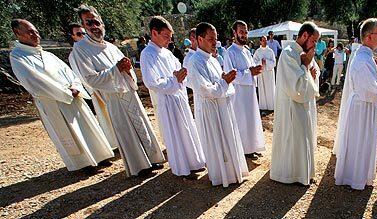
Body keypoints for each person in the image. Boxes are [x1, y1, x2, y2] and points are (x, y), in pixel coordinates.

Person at [70, 5, 165, 177]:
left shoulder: (110, 46)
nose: (94, 26)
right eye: (88, 22)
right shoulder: (81, 49)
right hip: (113, 96)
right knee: (126, 130)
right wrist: (115, 70)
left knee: (142, 125)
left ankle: (152, 159)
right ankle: (139, 166)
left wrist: (127, 70)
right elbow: (90, 79)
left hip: (129, 92)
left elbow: (124, 67)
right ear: (83, 26)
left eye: (96, 21)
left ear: (102, 23)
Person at [10, 19, 114, 172]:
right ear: (18, 33)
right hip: (53, 101)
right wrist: (65, 92)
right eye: (30, 32)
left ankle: (100, 155)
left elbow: (69, 72)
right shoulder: (18, 57)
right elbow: (35, 81)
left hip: (73, 96)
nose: (35, 35)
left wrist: (75, 86)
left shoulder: (47, 55)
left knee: (86, 126)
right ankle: (84, 163)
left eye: (36, 31)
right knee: (70, 131)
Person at [140, 16, 206, 177]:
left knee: (187, 129)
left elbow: (179, 70)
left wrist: (182, 76)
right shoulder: (147, 54)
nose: (169, 40)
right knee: (176, 133)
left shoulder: (168, 53)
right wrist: (174, 80)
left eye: (170, 37)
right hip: (167, 100)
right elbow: (152, 82)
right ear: (154, 33)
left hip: (180, 97)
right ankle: (182, 168)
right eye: (166, 36)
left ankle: (194, 161)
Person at [334, 18, 377, 190]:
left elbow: (367, 82)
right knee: (359, 141)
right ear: (368, 37)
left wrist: (375, 71)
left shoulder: (365, 57)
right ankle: (355, 178)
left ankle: (356, 175)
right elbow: (372, 92)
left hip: (363, 105)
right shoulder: (362, 59)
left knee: (360, 141)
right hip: (362, 106)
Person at [186, 22, 248, 187]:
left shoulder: (212, 59)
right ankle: (222, 177)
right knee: (217, 141)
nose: (215, 42)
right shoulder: (195, 61)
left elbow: (221, 82)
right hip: (210, 109)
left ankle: (233, 173)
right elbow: (205, 90)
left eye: (216, 38)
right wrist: (224, 81)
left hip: (223, 106)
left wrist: (225, 80)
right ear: (200, 39)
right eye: (210, 39)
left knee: (229, 138)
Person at [270, 22, 320, 185]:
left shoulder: (307, 52)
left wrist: (312, 73)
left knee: (302, 137)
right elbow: (296, 87)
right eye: (314, 40)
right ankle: (290, 175)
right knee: (293, 137)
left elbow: (313, 75)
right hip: (291, 105)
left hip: (305, 104)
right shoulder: (288, 54)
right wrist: (305, 66)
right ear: (304, 35)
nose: (315, 45)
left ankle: (302, 172)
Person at [224, 20, 265, 156]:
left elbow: (251, 69)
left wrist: (256, 70)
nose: (244, 34)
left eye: (246, 32)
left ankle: (252, 146)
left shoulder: (247, 51)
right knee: (242, 121)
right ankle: (244, 150)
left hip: (250, 92)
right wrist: (250, 73)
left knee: (251, 119)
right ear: (234, 33)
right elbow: (231, 75)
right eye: (241, 32)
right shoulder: (230, 52)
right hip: (238, 94)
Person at [253, 35, 276, 112]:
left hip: (269, 72)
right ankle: (263, 106)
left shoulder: (270, 51)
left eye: (266, 40)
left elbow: (274, 62)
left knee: (270, 89)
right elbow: (254, 62)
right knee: (262, 89)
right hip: (261, 72)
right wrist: (260, 62)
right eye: (263, 40)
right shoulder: (257, 51)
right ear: (260, 41)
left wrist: (266, 61)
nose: (265, 42)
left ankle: (271, 106)